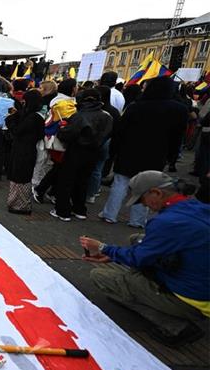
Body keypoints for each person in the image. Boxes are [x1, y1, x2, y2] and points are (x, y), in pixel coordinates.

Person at [80, 171, 209, 346]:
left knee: (101, 277)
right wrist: (113, 255)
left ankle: (176, 326)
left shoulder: (167, 222)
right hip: (200, 280)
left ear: (156, 193)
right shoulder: (197, 207)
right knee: (136, 239)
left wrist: (103, 248)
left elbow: (138, 258)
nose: (145, 206)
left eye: (142, 200)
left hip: (195, 299)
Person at [99, 76, 188, 227]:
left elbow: (120, 131)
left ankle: (110, 214)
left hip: (129, 151)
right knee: (148, 187)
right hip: (156, 154)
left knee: (120, 183)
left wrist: (114, 150)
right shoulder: (179, 109)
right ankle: (137, 220)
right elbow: (178, 136)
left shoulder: (136, 106)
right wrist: (172, 156)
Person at [50, 88, 112, 221]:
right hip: (94, 151)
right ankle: (79, 209)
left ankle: (62, 210)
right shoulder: (106, 116)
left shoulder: (79, 116)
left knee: (66, 180)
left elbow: (67, 134)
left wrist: (62, 129)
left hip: (76, 150)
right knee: (83, 181)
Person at [5, 90, 45, 213]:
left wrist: (11, 120)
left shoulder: (34, 117)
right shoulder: (30, 115)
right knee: (17, 175)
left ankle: (21, 205)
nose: (23, 103)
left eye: (25, 101)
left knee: (21, 176)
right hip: (23, 148)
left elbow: (17, 130)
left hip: (25, 150)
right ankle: (14, 202)